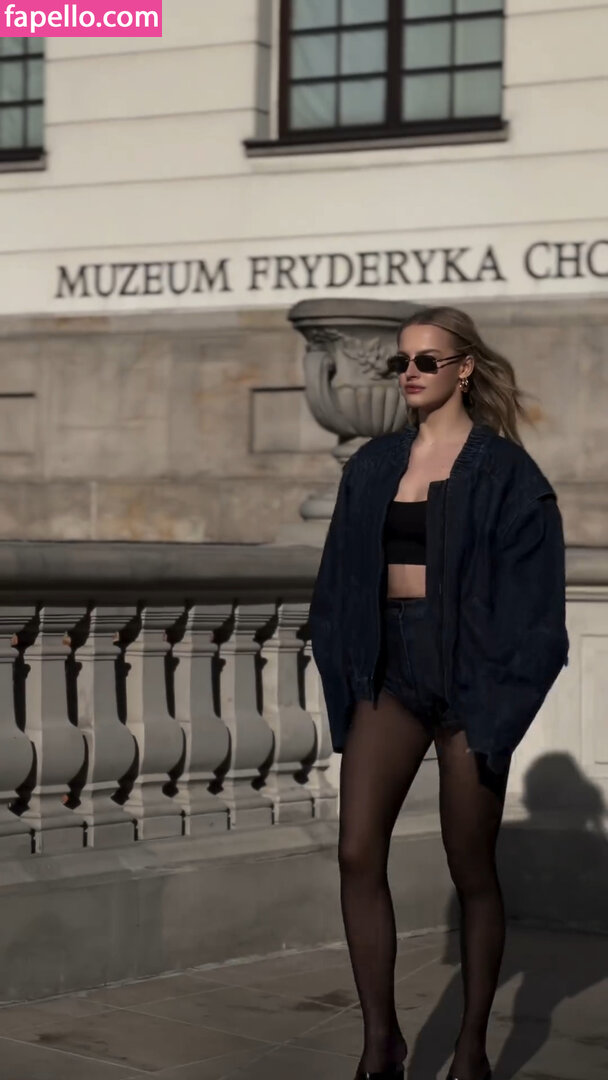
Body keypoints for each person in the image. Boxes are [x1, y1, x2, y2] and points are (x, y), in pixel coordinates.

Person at [308, 306, 569, 1080]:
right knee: (358, 850)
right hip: (389, 668)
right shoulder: (373, 465)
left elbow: (537, 605)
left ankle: (472, 1046)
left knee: (471, 867)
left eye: (427, 360)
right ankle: (380, 1043)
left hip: (472, 672)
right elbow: (337, 581)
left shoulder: (506, 472)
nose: (411, 373)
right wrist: (343, 662)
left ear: (464, 368)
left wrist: (500, 694)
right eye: (402, 362)